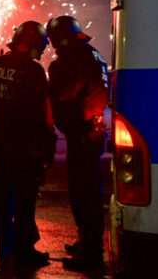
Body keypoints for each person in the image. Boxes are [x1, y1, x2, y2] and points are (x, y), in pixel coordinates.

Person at [0, 21, 56, 269]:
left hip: (2, 143)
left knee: (2, 196)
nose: (42, 51)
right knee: (24, 198)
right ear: (33, 44)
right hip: (25, 145)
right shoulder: (33, 71)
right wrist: (46, 145)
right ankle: (24, 250)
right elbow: (43, 113)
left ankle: (4, 246)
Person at [46, 15, 109, 275]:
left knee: (84, 196)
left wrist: (46, 85)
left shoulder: (72, 58)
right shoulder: (93, 54)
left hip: (82, 135)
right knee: (89, 192)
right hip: (92, 131)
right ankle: (87, 243)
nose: (52, 47)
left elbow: (64, 92)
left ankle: (91, 255)